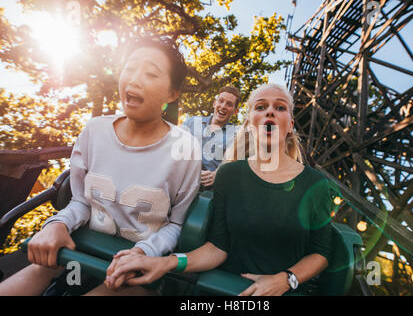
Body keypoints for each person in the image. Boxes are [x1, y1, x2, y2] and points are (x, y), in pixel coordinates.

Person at [0, 37, 201, 296]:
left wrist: (143, 252)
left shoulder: (186, 148)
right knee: (37, 270)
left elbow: (177, 224)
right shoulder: (94, 130)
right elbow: (81, 201)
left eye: (151, 73)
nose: (134, 79)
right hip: (80, 250)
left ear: (172, 94)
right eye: (129, 68)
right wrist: (57, 225)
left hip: (138, 270)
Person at [104, 83, 333, 296]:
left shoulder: (315, 183)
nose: (270, 112)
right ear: (251, 123)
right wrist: (165, 263)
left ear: (290, 125)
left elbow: (321, 253)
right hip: (224, 290)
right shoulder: (230, 175)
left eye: (280, 107)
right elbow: (217, 248)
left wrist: (286, 280)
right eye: (261, 107)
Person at [181, 86, 241, 189]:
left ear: (235, 111)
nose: (223, 106)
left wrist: (217, 174)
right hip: (181, 181)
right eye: (221, 101)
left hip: (208, 191)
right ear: (214, 103)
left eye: (229, 104)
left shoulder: (236, 136)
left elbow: (232, 167)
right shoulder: (192, 122)